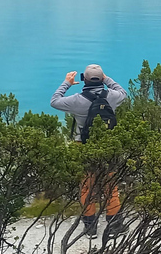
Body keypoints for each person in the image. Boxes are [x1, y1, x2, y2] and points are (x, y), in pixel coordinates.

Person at [51, 63, 128, 239]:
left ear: (83, 79)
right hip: (108, 146)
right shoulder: (113, 97)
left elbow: (54, 101)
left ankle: (90, 228)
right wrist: (107, 79)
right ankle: (115, 225)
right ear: (102, 79)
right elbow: (123, 92)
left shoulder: (76, 100)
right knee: (111, 186)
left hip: (83, 146)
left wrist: (66, 83)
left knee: (87, 186)